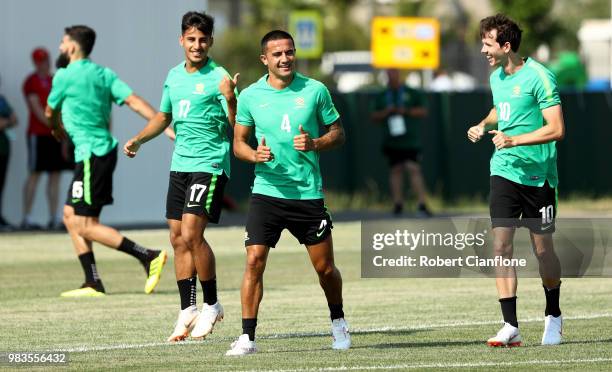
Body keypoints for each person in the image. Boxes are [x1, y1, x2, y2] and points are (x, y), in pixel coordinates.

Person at [226, 30, 350, 356]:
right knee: (254, 261)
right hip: (266, 192)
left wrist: (316, 143)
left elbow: (338, 134)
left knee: (325, 269)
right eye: (277, 54)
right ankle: (247, 338)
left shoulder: (315, 90)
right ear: (264, 59)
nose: (285, 59)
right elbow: (238, 143)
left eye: (289, 52)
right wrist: (254, 155)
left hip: (307, 195)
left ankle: (338, 322)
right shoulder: (251, 96)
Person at [124, 11, 237, 342]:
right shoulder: (174, 76)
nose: (197, 45)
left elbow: (237, 124)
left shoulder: (220, 75)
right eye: (191, 39)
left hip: (210, 164)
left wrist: (231, 99)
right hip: (181, 165)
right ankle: (188, 309)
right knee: (176, 237)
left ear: (211, 42)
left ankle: (212, 304)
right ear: (182, 41)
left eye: (203, 40)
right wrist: (139, 140)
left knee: (191, 232)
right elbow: (163, 117)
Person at [46, 25, 167, 297]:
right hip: (98, 153)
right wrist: (162, 124)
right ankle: (92, 282)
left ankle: (148, 255)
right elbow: (133, 100)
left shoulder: (64, 76)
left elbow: (49, 110)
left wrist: (55, 127)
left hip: (92, 154)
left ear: (73, 47)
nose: (60, 47)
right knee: (70, 216)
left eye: (63, 42)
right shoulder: (103, 74)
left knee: (85, 224)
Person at [467, 14, 565, 347]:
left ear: (507, 46)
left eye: (488, 43)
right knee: (501, 246)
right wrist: (483, 124)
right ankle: (510, 325)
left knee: (543, 252)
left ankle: (553, 315)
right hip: (504, 171)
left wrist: (514, 140)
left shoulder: (540, 76)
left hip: (539, 179)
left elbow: (556, 128)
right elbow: (501, 110)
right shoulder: (497, 77)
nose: (483, 49)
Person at [22, 47, 72, 230]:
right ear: (35, 62)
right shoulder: (31, 82)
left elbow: (61, 105)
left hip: (54, 134)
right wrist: (54, 124)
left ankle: (54, 217)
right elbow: (36, 109)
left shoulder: (54, 80)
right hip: (38, 134)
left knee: (55, 175)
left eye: (46, 60)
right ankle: (27, 218)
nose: (44, 64)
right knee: (34, 174)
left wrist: (61, 129)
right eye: (40, 60)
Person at [371, 69, 432, 217]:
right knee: (396, 169)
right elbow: (373, 115)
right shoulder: (382, 95)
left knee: (413, 168)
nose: (392, 78)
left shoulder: (412, 93)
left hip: (410, 140)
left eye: (394, 74)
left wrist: (406, 111)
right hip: (392, 140)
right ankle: (398, 203)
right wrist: (387, 112)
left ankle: (422, 203)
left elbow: (424, 111)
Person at [0, 76, 18, 230]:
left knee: (1, 184)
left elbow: (14, 119)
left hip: (3, 148)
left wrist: (5, 122)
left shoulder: (2, 100)